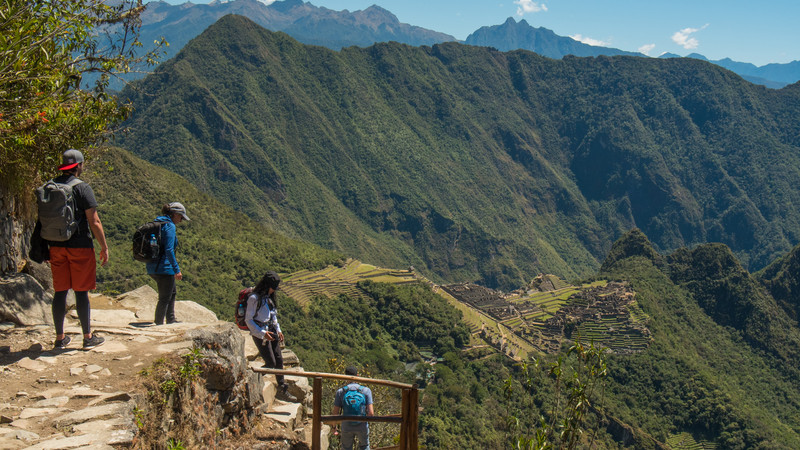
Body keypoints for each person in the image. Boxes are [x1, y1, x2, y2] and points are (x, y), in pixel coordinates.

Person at [45, 149, 108, 350]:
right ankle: (87, 337)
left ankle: (59, 338)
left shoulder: (49, 186)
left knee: (60, 292)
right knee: (81, 292)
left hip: (55, 246)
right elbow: (94, 221)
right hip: (80, 245)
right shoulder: (82, 188)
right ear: (79, 166)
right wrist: (104, 247)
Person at [245, 270, 297, 402]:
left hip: (271, 330)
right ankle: (251, 377)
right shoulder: (254, 298)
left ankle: (282, 388)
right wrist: (262, 334)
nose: (274, 291)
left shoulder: (268, 298)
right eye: (273, 288)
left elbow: (273, 315)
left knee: (279, 359)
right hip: (261, 333)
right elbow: (248, 320)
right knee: (270, 363)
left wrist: (278, 330)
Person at [147, 202, 190, 325]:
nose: (181, 220)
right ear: (175, 214)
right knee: (165, 298)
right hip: (164, 268)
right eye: (181, 217)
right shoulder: (170, 226)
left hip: (152, 266)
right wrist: (176, 269)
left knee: (172, 292)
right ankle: (159, 324)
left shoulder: (156, 223)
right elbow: (169, 250)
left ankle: (171, 319)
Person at [332, 366, 374, 450]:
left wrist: (334, 427)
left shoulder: (341, 392)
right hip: (362, 425)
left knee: (346, 447)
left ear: (345, 376)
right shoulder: (366, 391)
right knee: (364, 446)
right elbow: (371, 413)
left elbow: (335, 413)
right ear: (357, 375)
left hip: (346, 425)